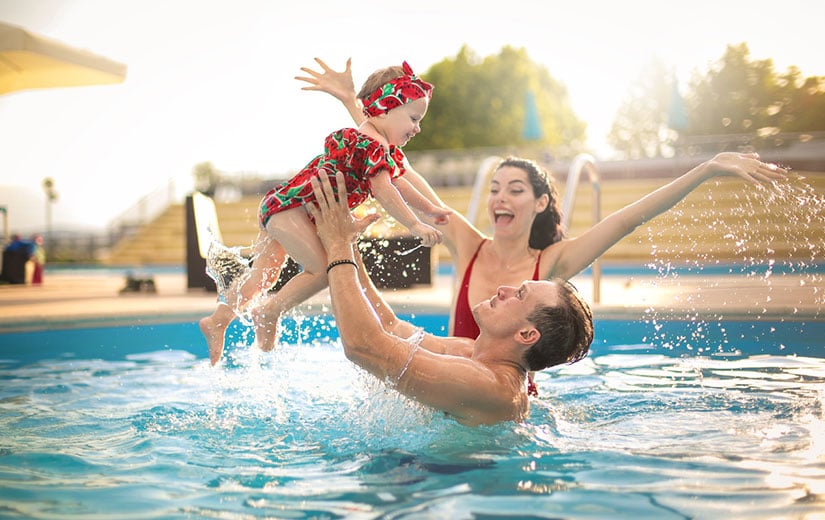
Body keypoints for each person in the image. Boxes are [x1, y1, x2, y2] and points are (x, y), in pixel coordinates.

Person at [296, 57, 788, 395]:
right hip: (453, 372)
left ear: (540, 203)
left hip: (475, 392)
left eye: (513, 189)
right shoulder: (468, 245)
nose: (498, 198)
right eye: (494, 188)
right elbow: (397, 168)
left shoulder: (549, 268)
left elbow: (627, 218)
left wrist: (704, 170)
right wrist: (354, 107)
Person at [200, 61, 451, 365]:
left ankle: (218, 320)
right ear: (384, 109)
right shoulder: (369, 144)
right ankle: (269, 312)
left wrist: (431, 209)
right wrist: (414, 224)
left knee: (263, 277)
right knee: (323, 271)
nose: (417, 127)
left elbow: (400, 183)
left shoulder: (379, 147)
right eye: (413, 117)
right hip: (292, 209)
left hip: (284, 207)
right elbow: (386, 192)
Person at [302, 170, 593, 426]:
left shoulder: (489, 386)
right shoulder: (470, 352)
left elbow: (363, 347)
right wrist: (346, 240)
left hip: (446, 481)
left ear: (527, 334)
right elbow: (389, 328)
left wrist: (337, 245)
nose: (505, 289)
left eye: (519, 294)